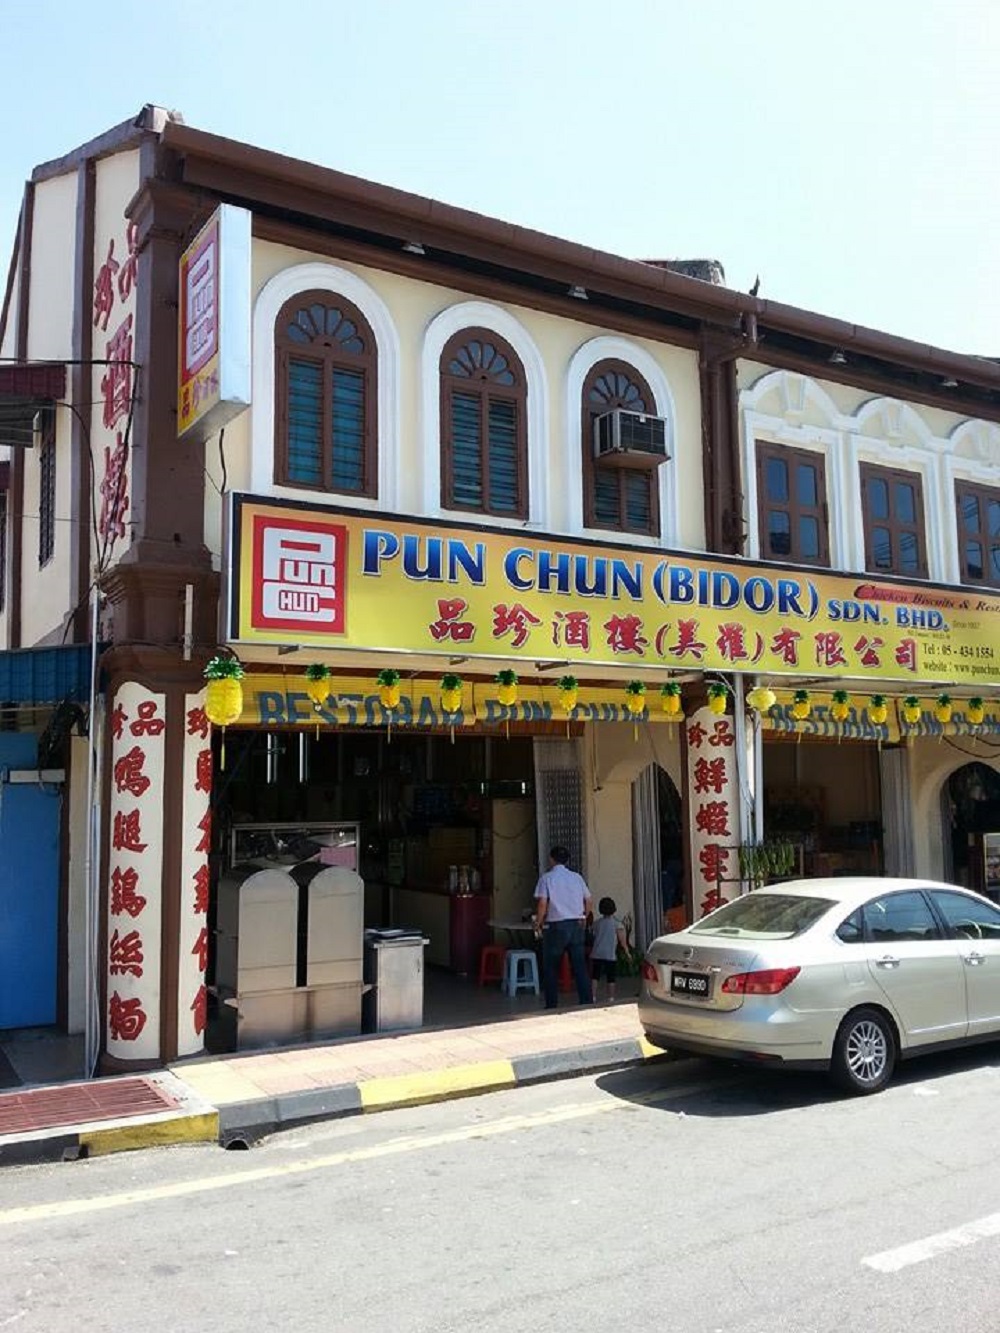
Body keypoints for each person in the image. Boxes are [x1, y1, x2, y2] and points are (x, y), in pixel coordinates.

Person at [533, 846, 593, 1008]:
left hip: (557, 926)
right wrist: (584, 917)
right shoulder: (577, 878)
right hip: (576, 924)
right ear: (567, 860)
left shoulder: (546, 878)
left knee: (551, 966)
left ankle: (552, 1003)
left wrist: (538, 922)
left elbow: (543, 904)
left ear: (551, 859)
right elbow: (588, 901)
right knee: (580, 965)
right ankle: (586, 1001)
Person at [590, 897, 627, 1004]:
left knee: (595, 976)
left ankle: (593, 996)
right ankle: (611, 997)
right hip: (610, 954)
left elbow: (593, 934)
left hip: (597, 953)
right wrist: (627, 952)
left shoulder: (597, 923)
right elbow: (622, 941)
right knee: (611, 978)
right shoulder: (617, 924)